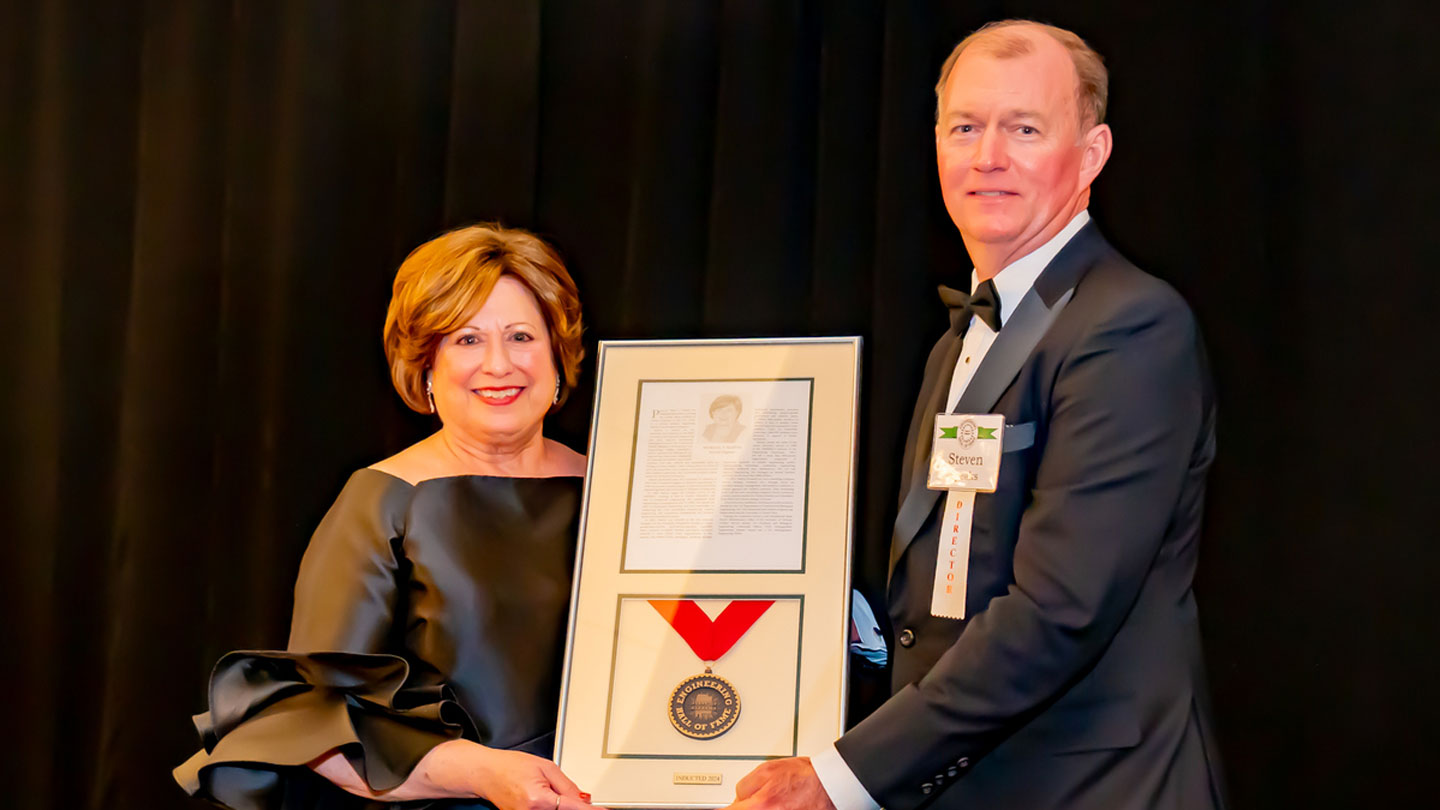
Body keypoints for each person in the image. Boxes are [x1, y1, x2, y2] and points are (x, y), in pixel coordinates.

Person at [726, 20, 1226, 810]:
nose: (987, 155)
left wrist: (841, 773)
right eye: (965, 127)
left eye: (1024, 129)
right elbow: (943, 591)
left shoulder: (1129, 326)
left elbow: (1061, 611)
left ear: (1091, 154)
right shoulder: (960, 339)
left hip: (1089, 788)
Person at [175, 224, 596, 810]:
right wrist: (480, 773)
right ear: (426, 365)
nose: (498, 364)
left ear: (558, 354)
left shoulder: (624, 493)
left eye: (521, 335)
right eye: (466, 340)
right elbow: (312, 722)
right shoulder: (383, 499)